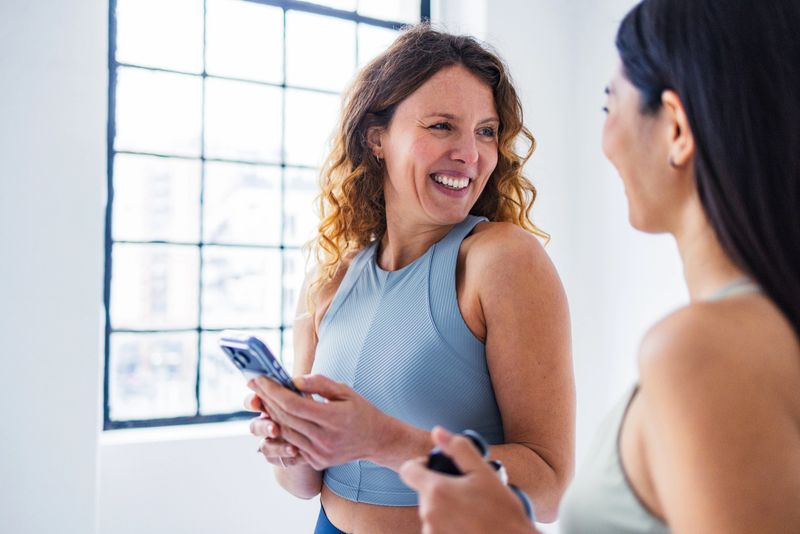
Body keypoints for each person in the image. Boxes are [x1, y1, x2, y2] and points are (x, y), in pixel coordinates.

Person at [400, 0, 800, 532]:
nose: (606, 140)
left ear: (676, 128)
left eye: (610, 106)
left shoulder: (699, 351)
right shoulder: (760, 328)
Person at [244, 24, 576, 534]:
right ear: (377, 139)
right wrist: (289, 447)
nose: (470, 153)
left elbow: (548, 487)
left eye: (486, 131)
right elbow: (305, 484)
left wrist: (384, 441)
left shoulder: (503, 260)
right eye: (442, 126)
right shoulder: (330, 278)